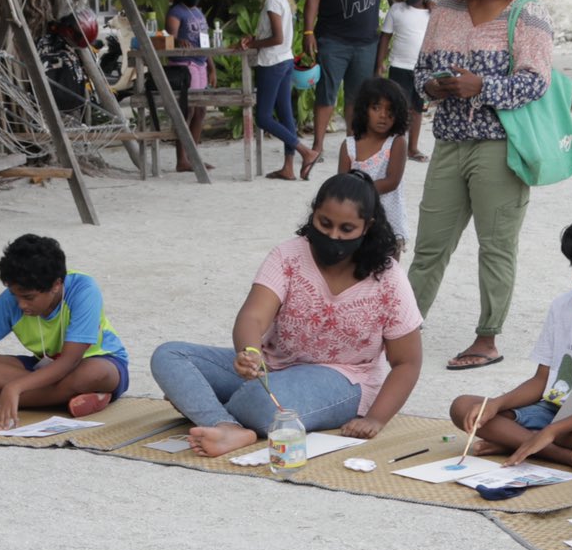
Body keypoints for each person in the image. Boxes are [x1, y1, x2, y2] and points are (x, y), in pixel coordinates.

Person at [149, 172, 424, 457]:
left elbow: (408, 361)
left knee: (262, 404)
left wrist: (375, 418)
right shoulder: (288, 255)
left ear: (367, 227)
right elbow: (253, 316)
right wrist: (250, 352)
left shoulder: (388, 277)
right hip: (271, 367)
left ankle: (205, 406)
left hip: (345, 378)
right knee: (169, 356)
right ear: (314, 213)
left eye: (347, 229)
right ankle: (226, 426)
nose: (333, 236)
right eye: (325, 223)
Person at [409, 0, 555, 371]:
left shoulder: (527, 12)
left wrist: (482, 88)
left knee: (496, 246)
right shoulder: (445, 11)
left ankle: (487, 339)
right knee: (429, 246)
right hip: (449, 142)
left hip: (500, 146)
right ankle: (403, 331)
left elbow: (537, 82)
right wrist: (434, 87)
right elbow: (417, 75)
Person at [449, 203, 572, 469]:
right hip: (551, 411)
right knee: (464, 407)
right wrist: (496, 404)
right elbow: (541, 380)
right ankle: (562, 455)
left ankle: (524, 442)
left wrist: (552, 431)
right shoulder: (562, 306)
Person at [0, 234, 131, 427]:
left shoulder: (83, 290)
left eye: (29, 298)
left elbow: (70, 361)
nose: (20, 304)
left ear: (56, 285)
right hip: (45, 367)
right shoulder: (14, 298)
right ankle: (64, 398)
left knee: (90, 373)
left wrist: (14, 387)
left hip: (98, 361)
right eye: (14, 295)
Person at [303, 0, 403, 169]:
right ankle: (317, 146)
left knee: (357, 98)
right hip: (333, 39)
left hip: (366, 42)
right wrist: (308, 31)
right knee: (326, 93)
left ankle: (353, 144)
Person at [242, 0, 321, 181]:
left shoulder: (271, 0)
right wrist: (255, 38)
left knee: (264, 117)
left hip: (272, 62)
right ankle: (288, 167)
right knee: (286, 114)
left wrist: (253, 44)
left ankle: (306, 152)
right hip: (284, 60)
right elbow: (277, 35)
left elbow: (276, 37)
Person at [340, 76, 413, 246]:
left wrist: (358, 190)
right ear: (364, 110)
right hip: (355, 216)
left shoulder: (396, 142)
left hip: (388, 216)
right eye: (376, 108)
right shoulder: (349, 145)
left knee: (389, 268)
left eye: (390, 110)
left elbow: (392, 181)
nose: (383, 116)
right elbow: (341, 183)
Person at [380, 0, 436, 162]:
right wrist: (380, 63)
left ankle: (412, 147)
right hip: (398, 66)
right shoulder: (397, 10)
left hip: (422, 69)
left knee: (418, 109)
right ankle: (396, 146)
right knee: (398, 108)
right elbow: (385, 38)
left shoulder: (432, 12)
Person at [164, 0, 213, 175]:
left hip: (201, 62)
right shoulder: (176, 12)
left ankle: (193, 155)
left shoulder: (199, 12)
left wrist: (212, 66)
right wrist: (177, 41)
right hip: (185, 64)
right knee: (188, 110)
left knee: (200, 111)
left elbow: (205, 41)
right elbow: (169, 37)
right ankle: (181, 159)